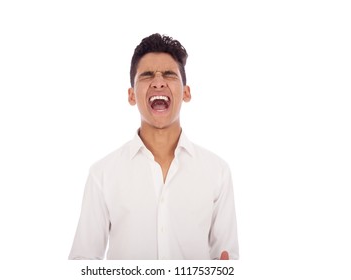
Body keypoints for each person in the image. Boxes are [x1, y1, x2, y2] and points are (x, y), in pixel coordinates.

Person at [68, 33, 239, 260]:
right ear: (131, 95)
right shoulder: (102, 174)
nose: (158, 81)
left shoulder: (218, 172)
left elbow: (227, 262)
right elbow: (83, 262)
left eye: (169, 74)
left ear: (186, 92)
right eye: (147, 75)